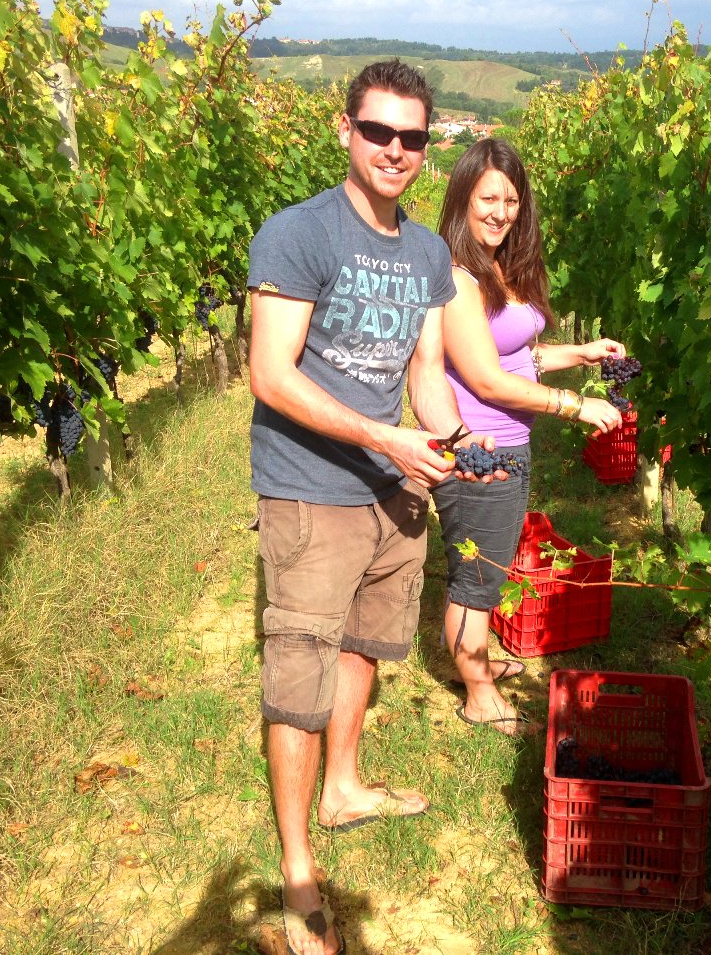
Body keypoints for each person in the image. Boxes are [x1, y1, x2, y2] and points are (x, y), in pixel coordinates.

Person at [247, 60, 502, 955]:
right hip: (312, 490)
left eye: (413, 137)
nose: (396, 150)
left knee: (366, 642)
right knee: (298, 674)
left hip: (395, 492)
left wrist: (451, 440)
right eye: (379, 132)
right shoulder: (297, 234)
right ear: (345, 130)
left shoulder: (429, 253)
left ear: (428, 147)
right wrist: (381, 438)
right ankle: (299, 874)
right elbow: (269, 375)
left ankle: (345, 784)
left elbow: (427, 375)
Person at [432, 138, 625, 736]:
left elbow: (515, 356)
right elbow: (488, 380)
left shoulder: (495, 266)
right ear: (463, 198)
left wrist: (582, 353)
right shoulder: (459, 277)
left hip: (509, 446)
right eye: (488, 197)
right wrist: (574, 405)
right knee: (477, 575)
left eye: (512, 199)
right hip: (479, 452)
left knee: (487, 562)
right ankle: (476, 693)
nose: (501, 211)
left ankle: (480, 664)